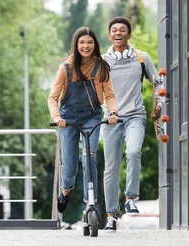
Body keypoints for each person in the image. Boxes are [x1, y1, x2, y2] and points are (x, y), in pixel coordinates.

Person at [101, 17, 165, 232]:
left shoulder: (140, 58)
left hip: (136, 115)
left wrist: (159, 105)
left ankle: (131, 198)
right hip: (110, 119)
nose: (118, 33)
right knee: (111, 167)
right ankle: (111, 215)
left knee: (134, 152)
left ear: (129, 35)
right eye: (114, 30)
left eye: (122, 30)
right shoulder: (102, 62)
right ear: (110, 35)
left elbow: (158, 83)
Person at [47, 27, 119, 219]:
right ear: (76, 44)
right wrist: (57, 118)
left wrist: (112, 112)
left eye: (89, 42)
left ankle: (90, 202)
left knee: (90, 158)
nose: (86, 46)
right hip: (68, 119)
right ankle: (65, 191)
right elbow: (52, 98)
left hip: (91, 116)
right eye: (82, 42)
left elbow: (110, 95)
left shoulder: (101, 66)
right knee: (69, 168)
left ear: (94, 44)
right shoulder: (66, 67)